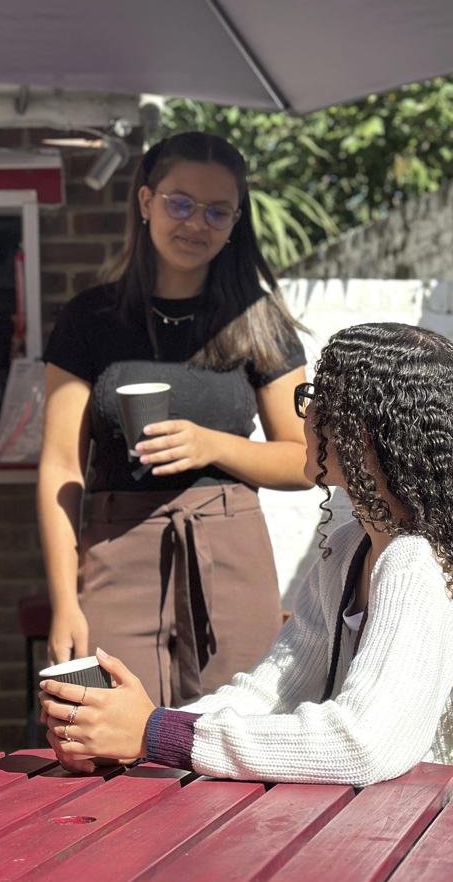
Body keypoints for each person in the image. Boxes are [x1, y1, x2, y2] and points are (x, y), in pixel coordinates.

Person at [39, 323, 453, 787]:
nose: (305, 414)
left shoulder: (417, 563)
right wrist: (133, 728)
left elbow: (363, 743)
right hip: (410, 838)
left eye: (318, 399)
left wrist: (156, 733)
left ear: (367, 433)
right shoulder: (348, 550)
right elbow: (271, 691)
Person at [38, 131, 314, 707]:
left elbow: (307, 459)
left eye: (217, 211)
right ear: (146, 201)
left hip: (230, 550)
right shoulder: (90, 319)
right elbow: (62, 466)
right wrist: (64, 601)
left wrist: (212, 445)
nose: (196, 224)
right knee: (108, 734)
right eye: (180, 203)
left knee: (235, 734)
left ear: (235, 221)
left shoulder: (256, 318)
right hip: (116, 549)